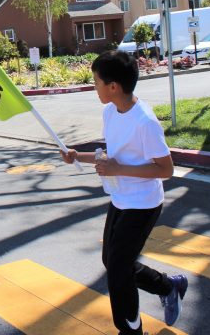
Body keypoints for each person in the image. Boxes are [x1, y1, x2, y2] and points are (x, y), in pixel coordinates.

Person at [60, 50, 188, 335]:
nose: (94, 87)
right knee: (113, 262)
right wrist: (78, 156)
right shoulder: (110, 112)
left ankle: (130, 331)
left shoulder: (145, 122)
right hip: (120, 199)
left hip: (143, 204)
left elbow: (166, 169)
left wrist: (118, 169)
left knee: (119, 270)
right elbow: (113, 156)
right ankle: (168, 286)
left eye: (96, 82)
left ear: (113, 86)